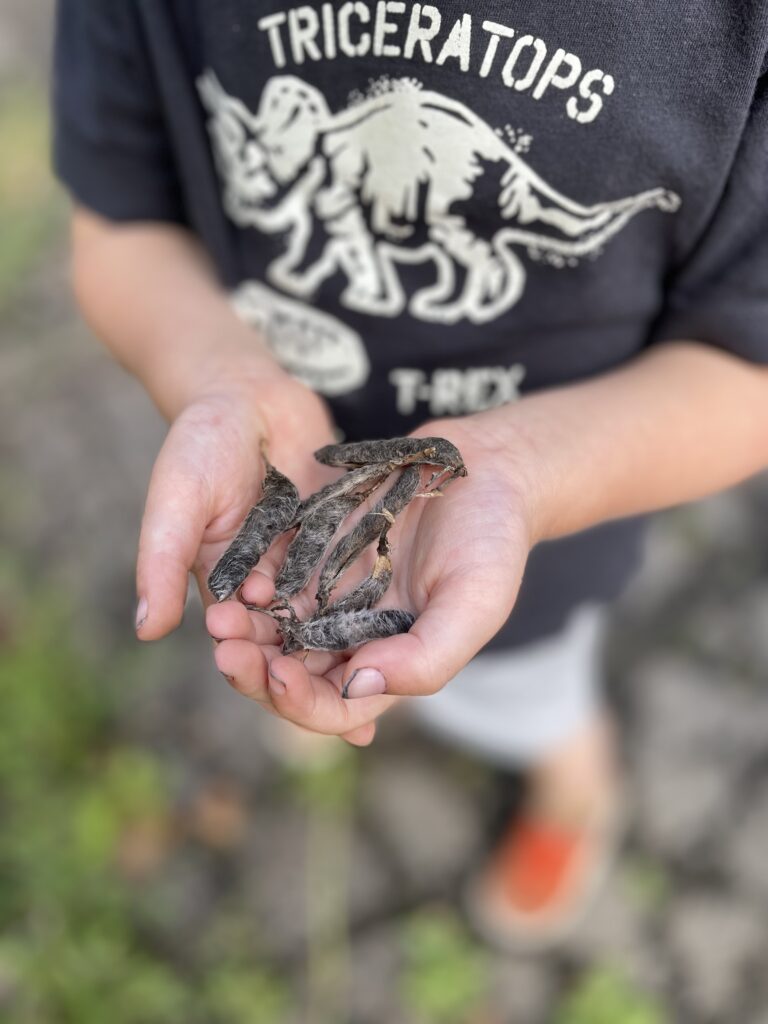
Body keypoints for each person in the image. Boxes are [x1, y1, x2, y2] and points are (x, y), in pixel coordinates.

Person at [53, 1, 768, 947]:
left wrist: (524, 472)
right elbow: (118, 227)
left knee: (527, 690)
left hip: (539, 529)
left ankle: (573, 782)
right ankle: (322, 693)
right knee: (280, 632)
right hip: (277, 485)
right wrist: (220, 376)